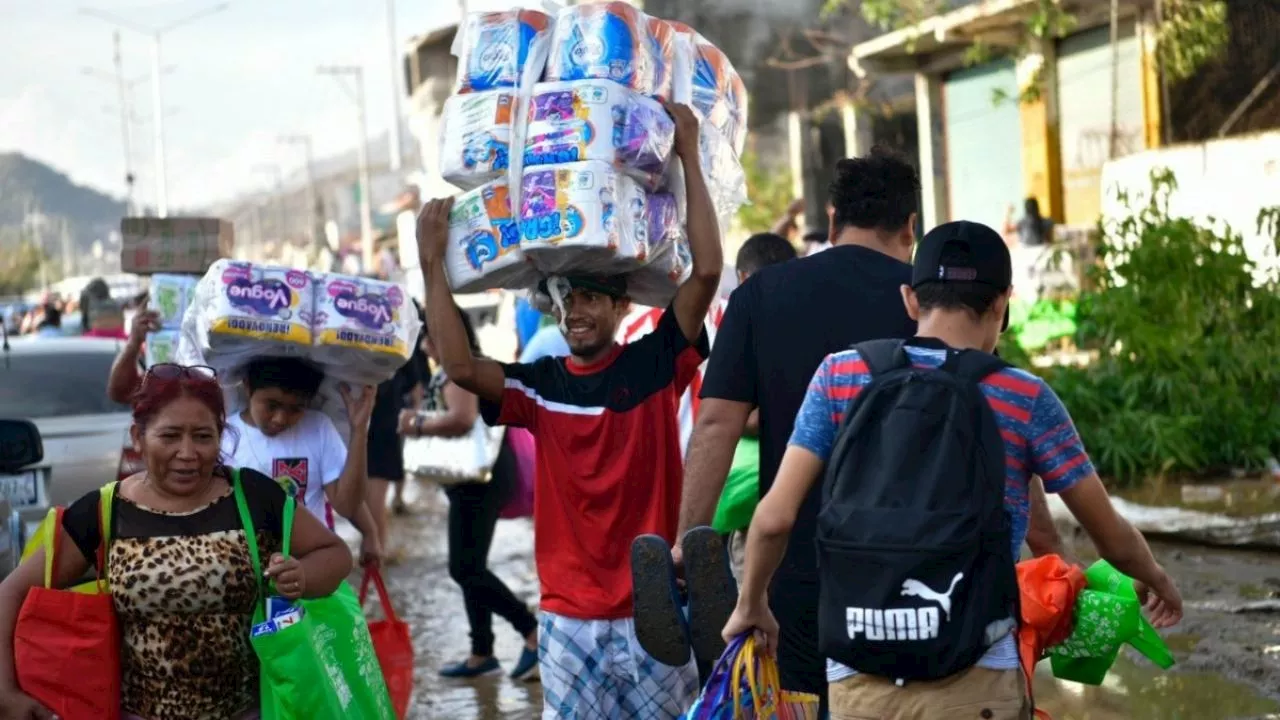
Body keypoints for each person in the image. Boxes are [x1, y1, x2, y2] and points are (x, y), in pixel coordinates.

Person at [725, 221, 1183, 718]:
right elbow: (1109, 535)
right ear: (1002, 303)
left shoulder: (839, 375)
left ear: (910, 299)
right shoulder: (1025, 397)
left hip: (857, 672)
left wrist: (751, 603)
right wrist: (1155, 577)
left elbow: (774, 518)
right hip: (977, 675)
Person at [415, 101, 721, 719]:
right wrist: (432, 265)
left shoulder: (654, 362)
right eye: (564, 300)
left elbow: (707, 272)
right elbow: (461, 367)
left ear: (620, 308)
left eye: (589, 298)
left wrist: (687, 151)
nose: (574, 311)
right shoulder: (539, 385)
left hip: (652, 609)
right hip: (565, 618)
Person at [0, 363, 352, 719]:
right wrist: (6, 693)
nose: (187, 453)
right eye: (169, 436)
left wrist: (303, 575)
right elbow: (10, 593)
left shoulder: (254, 497)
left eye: (203, 436)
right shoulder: (105, 512)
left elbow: (335, 554)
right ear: (138, 437)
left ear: (221, 436)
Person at [398, 306, 540, 681]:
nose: (425, 345)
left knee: (464, 567)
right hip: (477, 478)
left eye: (427, 336)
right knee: (471, 564)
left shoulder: (458, 370)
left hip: (479, 481)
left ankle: (530, 631)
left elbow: (461, 418)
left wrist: (415, 423)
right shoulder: (466, 365)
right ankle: (482, 651)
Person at [220, 356, 381, 564]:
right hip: (245, 567)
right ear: (248, 386)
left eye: (295, 409)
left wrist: (359, 431)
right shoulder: (225, 437)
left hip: (310, 567)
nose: (280, 418)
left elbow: (346, 506)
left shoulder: (319, 428)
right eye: (272, 405)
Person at [365, 302, 429, 545]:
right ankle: (376, 560)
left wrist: (416, 419)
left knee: (373, 503)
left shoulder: (397, 344)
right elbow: (416, 388)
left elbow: (415, 388)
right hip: (370, 429)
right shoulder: (396, 343)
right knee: (369, 503)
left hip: (381, 429)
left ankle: (376, 562)